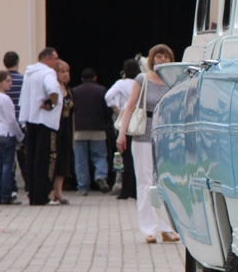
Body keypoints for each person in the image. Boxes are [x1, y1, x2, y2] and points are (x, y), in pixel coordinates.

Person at [116, 45, 179, 244]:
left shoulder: (174, 80)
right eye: (158, 56)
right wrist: (122, 134)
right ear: (151, 59)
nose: (162, 59)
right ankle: (149, 229)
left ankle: (168, 228)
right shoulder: (142, 80)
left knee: (167, 181)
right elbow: (129, 107)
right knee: (145, 182)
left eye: (166, 56)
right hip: (143, 134)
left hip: (166, 136)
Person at [18, 47, 62, 206]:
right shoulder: (48, 73)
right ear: (47, 59)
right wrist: (52, 103)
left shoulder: (30, 73)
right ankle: (44, 195)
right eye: (55, 58)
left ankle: (34, 196)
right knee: (46, 159)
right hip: (45, 122)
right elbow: (53, 90)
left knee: (33, 159)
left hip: (31, 119)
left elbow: (23, 97)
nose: (57, 61)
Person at [71, 68, 112, 196]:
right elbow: (108, 110)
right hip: (98, 129)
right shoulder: (102, 90)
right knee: (100, 156)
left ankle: (83, 187)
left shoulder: (74, 91)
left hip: (79, 130)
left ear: (82, 79)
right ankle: (100, 175)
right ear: (95, 78)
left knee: (80, 159)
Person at [106, 58, 142, 200]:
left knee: (125, 157)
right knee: (137, 157)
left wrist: (117, 108)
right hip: (138, 121)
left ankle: (125, 190)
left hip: (125, 123)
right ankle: (135, 190)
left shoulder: (121, 83)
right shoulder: (141, 82)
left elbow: (108, 96)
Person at [0, 70, 24, 205]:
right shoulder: (5, 99)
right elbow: (11, 120)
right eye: (7, 81)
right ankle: (6, 195)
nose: (11, 83)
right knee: (7, 166)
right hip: (7, 133)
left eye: (10, 81)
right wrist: (20, 135)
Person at [3, 51, 29, 194]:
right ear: (17, 62)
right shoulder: (23, 79)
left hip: (5, 125)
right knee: (24, 157)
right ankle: (28, 184)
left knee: (7, 159)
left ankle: (10, 186)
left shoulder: (1, 80)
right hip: (20, 121)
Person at [50, 60, 74, 205]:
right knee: (55, 158)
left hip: (67, 126)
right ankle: (52, 191)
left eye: (67, 72)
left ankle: (59, 191)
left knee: (64, 159)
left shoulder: (69, 90)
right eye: (62, 72)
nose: (65, 75)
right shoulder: (54, 89)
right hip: (56, 125)